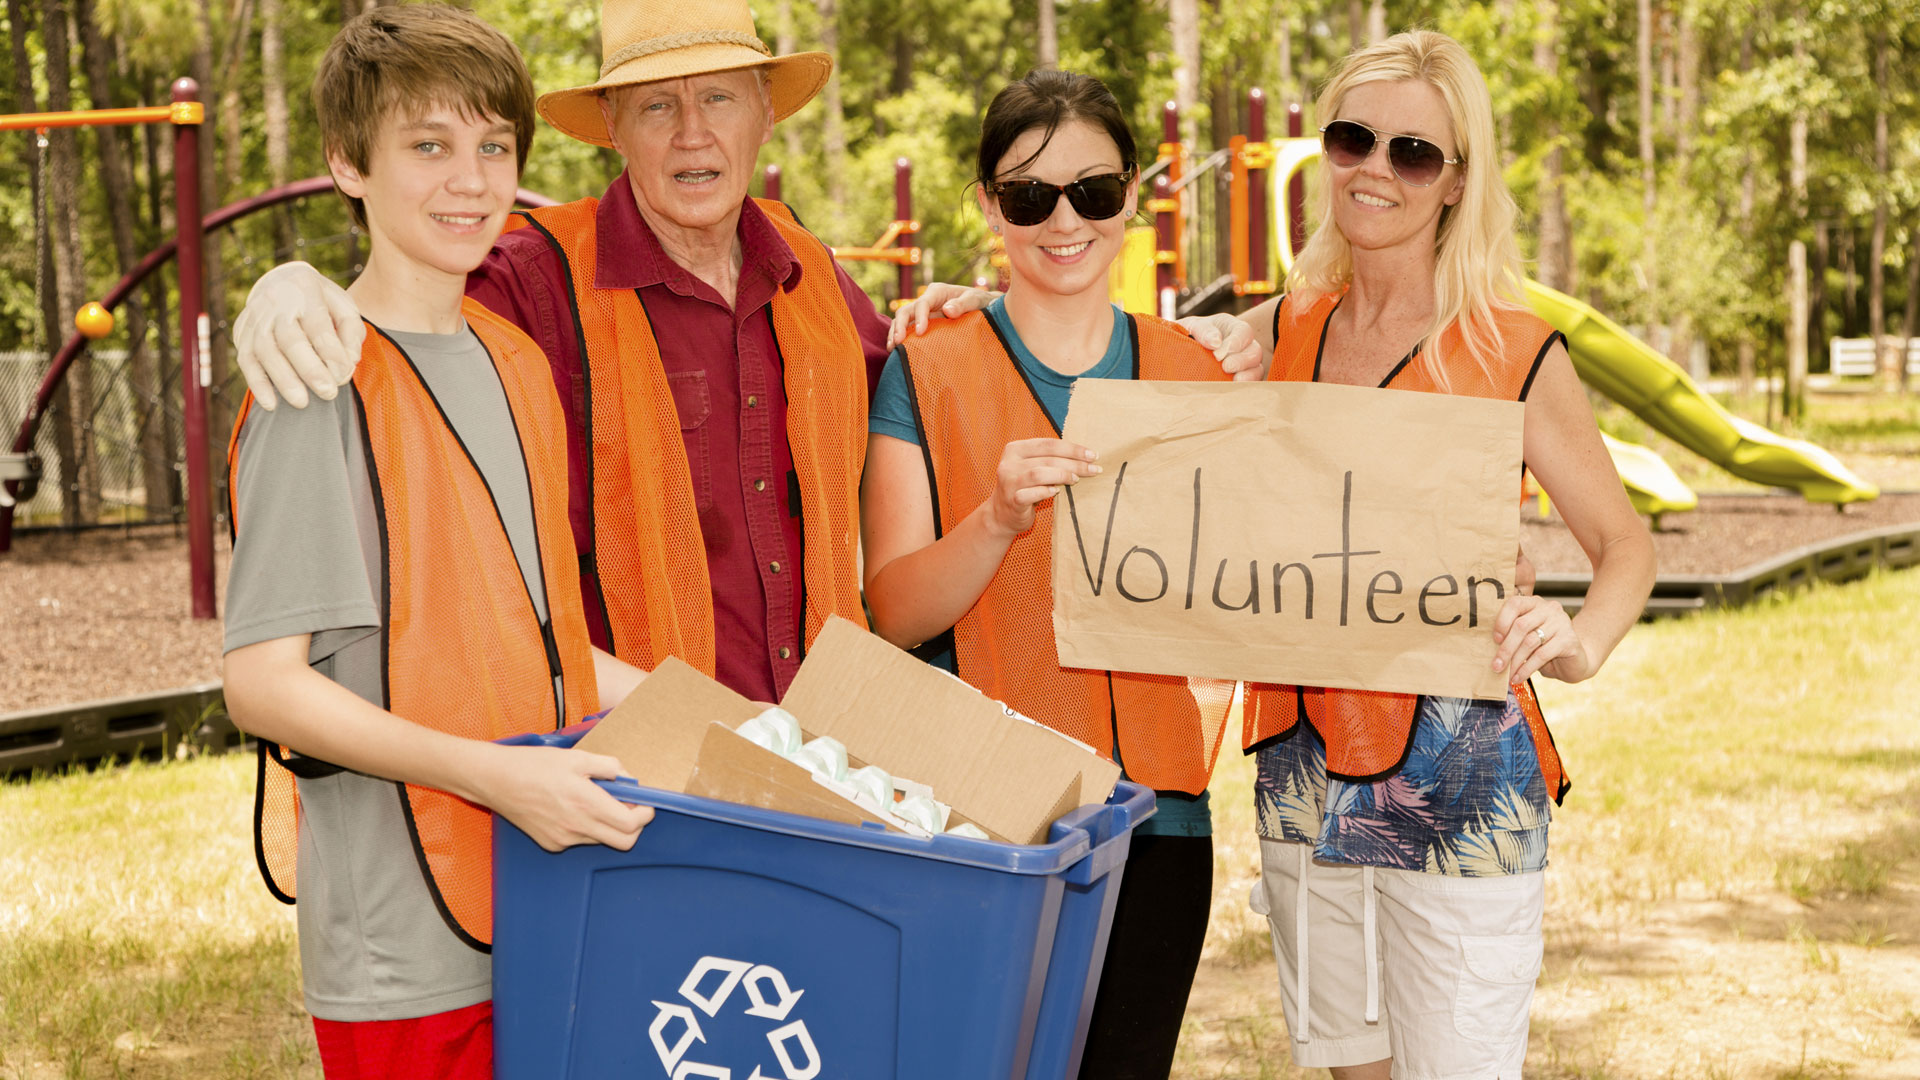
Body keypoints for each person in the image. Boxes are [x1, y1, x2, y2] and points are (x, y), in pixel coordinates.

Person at [228, 0, 1260, 706]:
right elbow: (404, 300)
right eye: (658, 106)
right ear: (612, 131)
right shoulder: (536, 276)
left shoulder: (813, 275)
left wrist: (992, 305)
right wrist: (289, 284)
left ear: (765, 113)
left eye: (719, 97)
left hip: (819, 752)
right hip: (624, 766)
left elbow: (927, 399)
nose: (692, 135)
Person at [220, 7, 653, 1077]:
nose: (470, 180)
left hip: (544, 901)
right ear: (346, 164)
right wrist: (500, 779)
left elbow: (536, 639)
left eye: (492, 145)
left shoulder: (512, 359)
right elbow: (264, 686)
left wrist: (748, 731)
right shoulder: (313, 381)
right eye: (428, 146)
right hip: (405, 948)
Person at [1233, 31, 1656, 1079]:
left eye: (1413, 152)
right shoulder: (1278, 331)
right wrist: (957, 308)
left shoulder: (1509, 351)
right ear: (1324, 150)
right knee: (1348, 1067)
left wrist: (1577, 640)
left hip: (1460, 769)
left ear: (1457, 180)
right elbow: (1099, 364)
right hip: (1301, 756)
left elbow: (1625, 546)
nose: (1376, 169)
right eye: (1352, 138)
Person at [862, 69, 1254, 1080]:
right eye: (1030, 196)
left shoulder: (1203, 373)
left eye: (1093, 189)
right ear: (990, 207)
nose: (1064, 219)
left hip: (1162, 821)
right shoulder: (926, 369)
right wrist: (992, 522)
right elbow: (895, 611)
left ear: (1136, 194)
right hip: (986, 816)